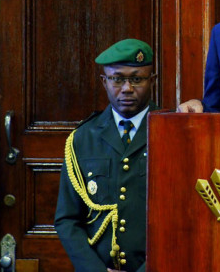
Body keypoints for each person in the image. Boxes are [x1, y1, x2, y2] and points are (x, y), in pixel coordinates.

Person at [55, 39, 158, 272]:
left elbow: (182, 219)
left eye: (137, 79)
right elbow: (67, 219)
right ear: (105, 82)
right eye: (118, 79)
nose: (127, 88)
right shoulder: (82, 139)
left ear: (152, 81)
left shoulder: (170, 134)